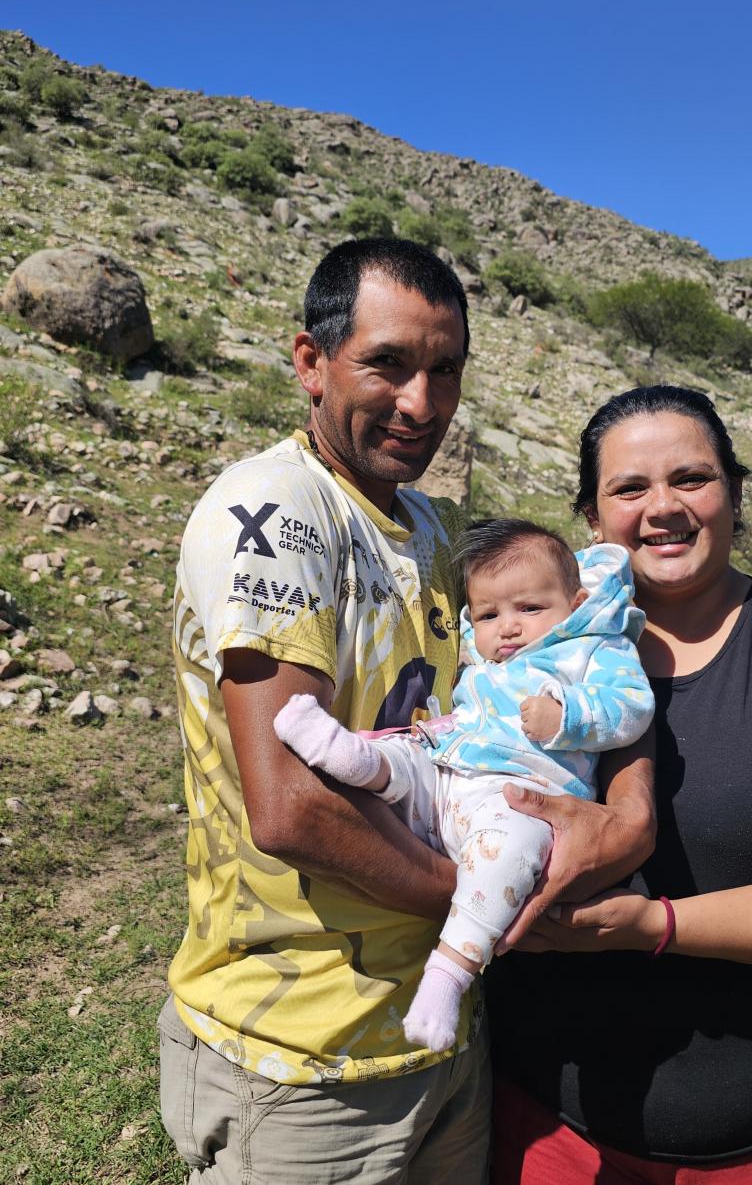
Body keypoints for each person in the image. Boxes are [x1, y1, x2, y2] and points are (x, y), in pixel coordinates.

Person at [486, 384, 752, 1184]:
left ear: (735, 491)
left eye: (691, 477)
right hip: (551, 1125)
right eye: (629, 487)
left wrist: (655, 924)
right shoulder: (522, 641)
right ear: (593, 519)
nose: (663, 507)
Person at [160, 238, 487, 1183]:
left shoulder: (428, 525)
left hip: (437, 1029)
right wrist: (480, 908)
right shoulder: (275, 509)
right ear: (310, 360)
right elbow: (291, 804)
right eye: (386, 363)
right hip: (301, 1058)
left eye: (445, 371)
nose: (422, 404)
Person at [273, 519, 655, 1054]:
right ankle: (349, 755)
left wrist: (568, 714)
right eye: (489, 615)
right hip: (449, 772)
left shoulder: (592, 649)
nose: (508, 628)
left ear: (577, 601)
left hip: (519, 798)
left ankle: (449, 974)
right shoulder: (484, 658)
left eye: (530, 609)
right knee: (407, 757)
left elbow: (632, 708)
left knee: (513, 850)